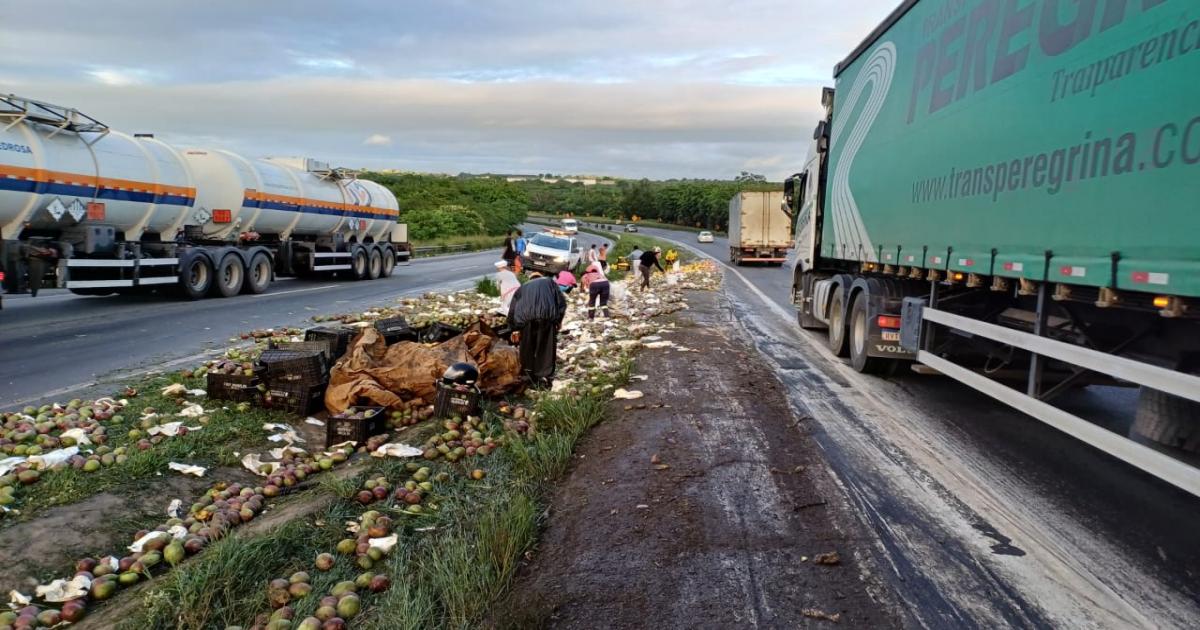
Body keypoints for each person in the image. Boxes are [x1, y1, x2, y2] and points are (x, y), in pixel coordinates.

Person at [508, 272, 567, 388]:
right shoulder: (550, 283)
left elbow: (512, 309)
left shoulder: (522, 288)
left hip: (525, 321)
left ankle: (528, 376)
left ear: (530, 279)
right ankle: (544, 376)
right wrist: (558, 320)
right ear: (540, 277)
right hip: (546, 318)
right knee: (545, 348)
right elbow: (561, 303)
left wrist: (513, 328)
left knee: (527, 348)